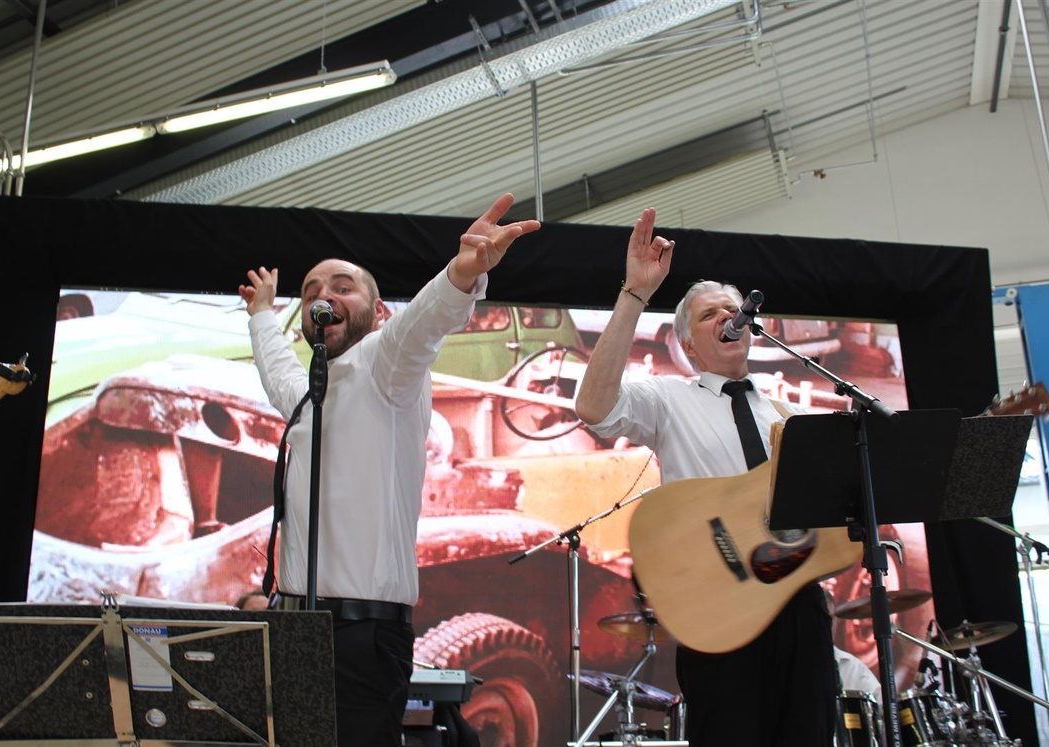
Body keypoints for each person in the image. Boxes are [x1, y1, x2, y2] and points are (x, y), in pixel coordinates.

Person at [237, 192, 540, 747]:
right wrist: (260, 315)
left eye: (341, 287)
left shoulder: (387, 363)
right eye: (310, 293)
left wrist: (461, 274)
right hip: (296, 628)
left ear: (379, 313)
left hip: (361, 634)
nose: (322, 297)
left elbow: (424, 323)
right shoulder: (312, 393)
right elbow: (280, 375)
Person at [573, 206, 836, 746]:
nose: (727, 318)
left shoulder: (787, 415)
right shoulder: (670, 398)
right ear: (687, 345)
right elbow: (594, 407)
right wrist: (635, 293)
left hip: (798, 605)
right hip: (720, 606)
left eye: (734, 311)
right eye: (709, 314)